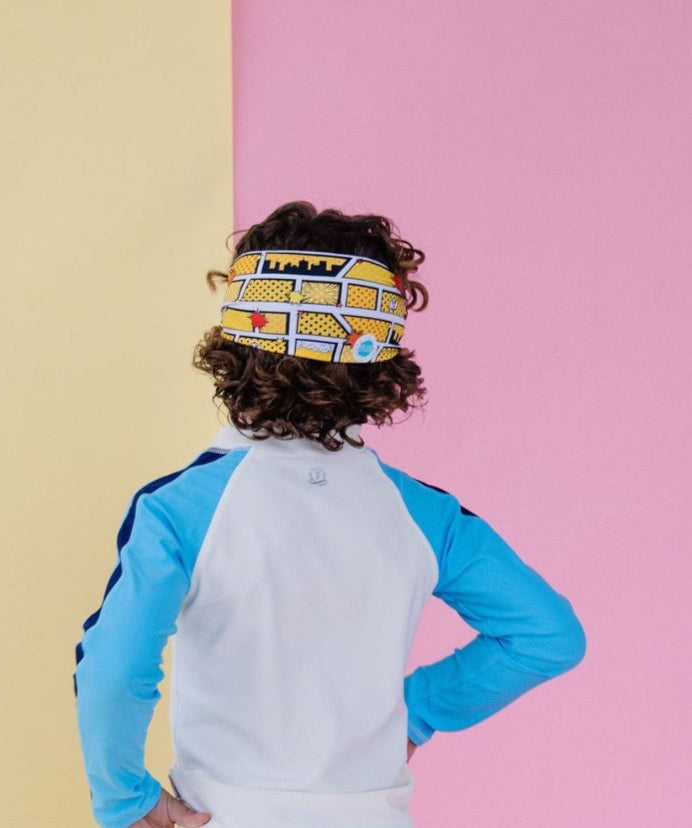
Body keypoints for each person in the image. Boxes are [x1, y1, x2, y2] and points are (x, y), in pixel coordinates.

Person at [72, 201, 587, 828]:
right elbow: (546, 635)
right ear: (382, 364)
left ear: (231, 347)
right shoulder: (426, 515)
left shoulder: (177, 508)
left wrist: (125, 797)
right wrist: (418, 711)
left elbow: (113, 669)